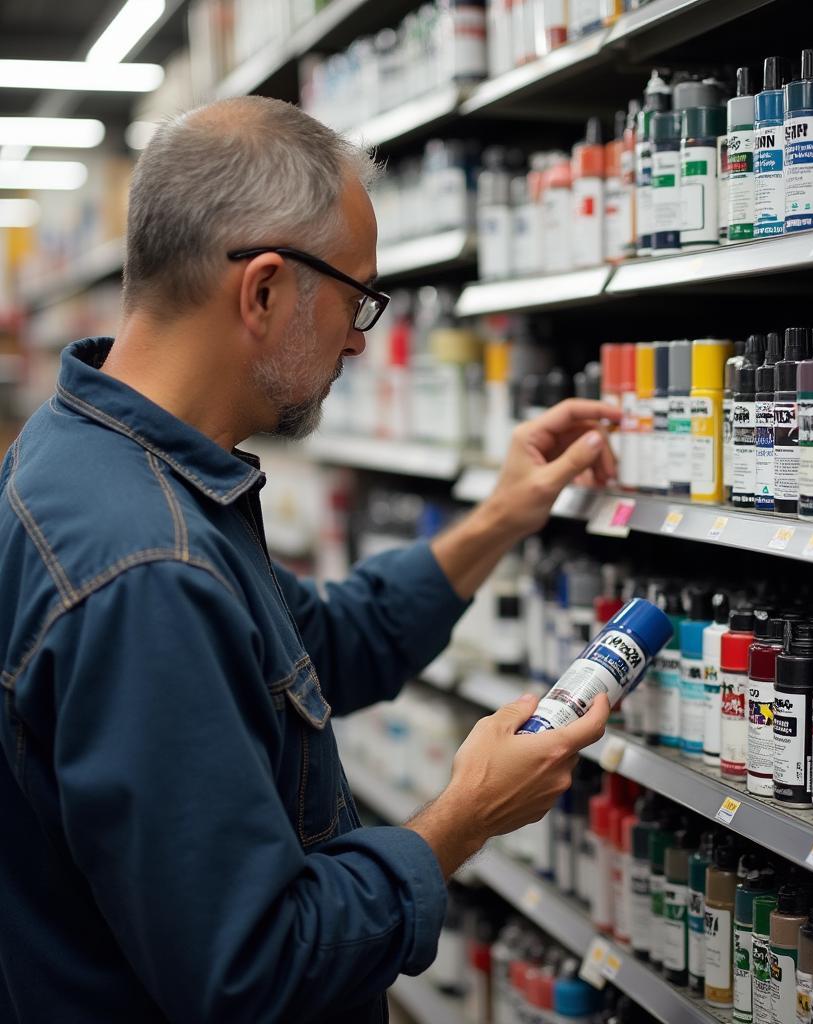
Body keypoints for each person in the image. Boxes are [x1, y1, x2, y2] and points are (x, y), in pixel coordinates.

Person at [0, 96, 619, 1023]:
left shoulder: (90, 459)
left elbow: (324, 640)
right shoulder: (148, 570)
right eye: (355, 297)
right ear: (262, 290)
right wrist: (465, 817)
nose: (361, 339)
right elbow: (253, 972)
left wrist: (499, 517)